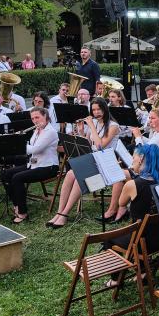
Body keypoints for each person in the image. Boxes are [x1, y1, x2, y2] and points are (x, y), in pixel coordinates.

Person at [48, 97, 119, 228]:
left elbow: (100, 146)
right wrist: (81, 131)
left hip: (106, 164)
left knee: (79, 178)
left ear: (105, 109)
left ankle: (65, 214)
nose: (96, 112)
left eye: (99, 109)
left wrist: (91, 125)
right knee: (69, 174)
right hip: (92, 160)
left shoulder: (113, 126)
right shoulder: (96, 123)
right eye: (94, 110)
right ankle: (59, 212)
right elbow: (87, 143)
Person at [1, 107, 59, 224]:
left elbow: (36, 149)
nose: (35, 120)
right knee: (5, 173)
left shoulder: (50, 132)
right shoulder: (37, 130)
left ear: (45, 116)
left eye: (37, 117)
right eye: (32, 118)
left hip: (48, 167)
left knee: (17, 178)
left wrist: (19, 142)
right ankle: (17, 203)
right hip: (34, 164)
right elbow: (31, 146)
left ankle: (22, 212)